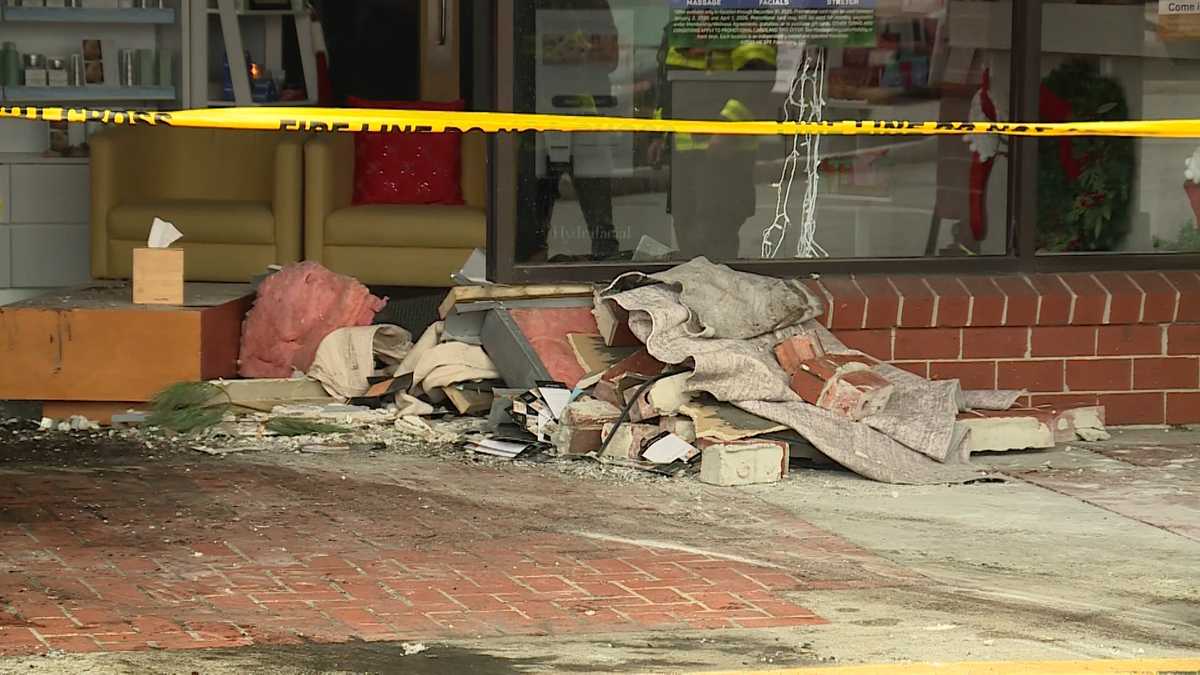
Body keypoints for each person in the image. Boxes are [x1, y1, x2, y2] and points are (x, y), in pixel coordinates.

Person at [649, 26, 776, 259]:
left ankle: (719, 291)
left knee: (716, 234)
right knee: (686, 228)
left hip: (726, 154)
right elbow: (666, 82)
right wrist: (658, 134)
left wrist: (727, 131)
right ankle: (693, 289)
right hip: (684, 152)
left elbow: (758, 78)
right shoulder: (679, 25)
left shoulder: (746, 17)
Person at [518, 0, 621, 262]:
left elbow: (610, 57)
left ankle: (608, 275)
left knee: (601, 225)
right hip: (540, 121)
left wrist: (567, 51)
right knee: (533, 224)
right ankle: (532, 281)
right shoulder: (528, 7)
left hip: (585, 123)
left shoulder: (592, 4)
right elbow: (514, 54)